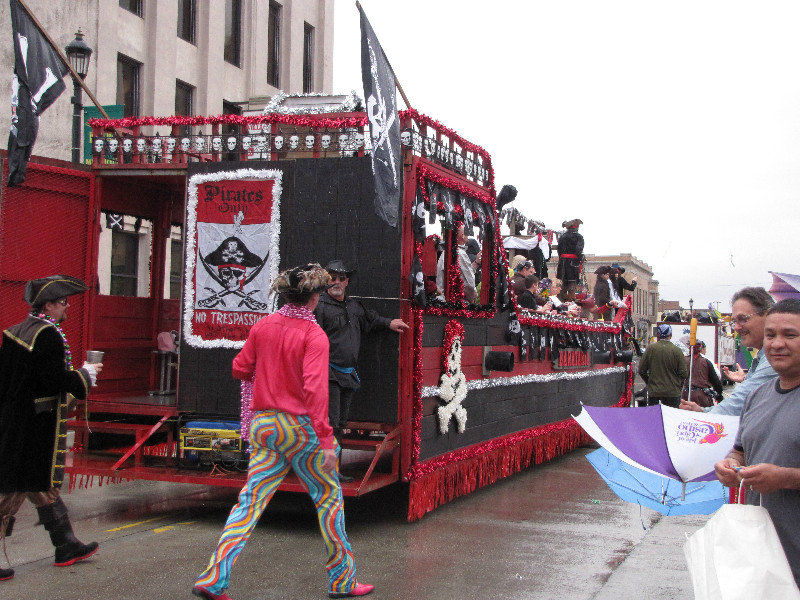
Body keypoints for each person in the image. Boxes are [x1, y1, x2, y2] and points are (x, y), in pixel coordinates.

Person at [193, 264, 374, 600]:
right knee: (329, 502)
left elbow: (239, 368)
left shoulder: (263, 326)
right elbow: (315, 391)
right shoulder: (314, 335)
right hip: (301, 428)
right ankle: (342, 581)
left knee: (249, 502)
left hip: (264, 425)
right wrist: (326, 441)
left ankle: (214, 576)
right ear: (314, 298)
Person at [0, 275, 102, 581]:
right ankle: (66, 544)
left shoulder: (16, 332)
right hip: (33, 427)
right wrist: (85, 374)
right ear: (48, 305)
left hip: (16, 420)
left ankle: (66, 544)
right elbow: (53, 381)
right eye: (62, 302)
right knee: (15, 489)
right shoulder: (48, 335)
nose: (67, 307)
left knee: (40, 485)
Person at [714, 298, 800, 587]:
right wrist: (731, 464)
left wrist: (785, 478)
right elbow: (740, 450)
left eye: (790, 335)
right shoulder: (757, 395)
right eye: (771, 335)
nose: (777, 344)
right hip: (760, 560)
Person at [315, 260, 409, 474]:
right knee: (332, 423)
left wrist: (389, 323)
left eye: (341, 278)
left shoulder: (354, 306)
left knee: (340, 421)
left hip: (347, 373)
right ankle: (329, 472)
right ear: (326, 280)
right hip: (327, 373)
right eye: (332, 278)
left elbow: (372, 320)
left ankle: (333, 469)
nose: (336, 282)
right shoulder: (319, 306)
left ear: (347, 281)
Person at [680, 287, 777, 415]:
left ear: (769, 315)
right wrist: (702, 410)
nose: (736, 327)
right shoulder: (762, 358)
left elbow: (741, 403)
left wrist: (702, 417)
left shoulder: (774, 358)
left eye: (743, 319)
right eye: (734, 321)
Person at [637, 324, 688, 407]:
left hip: (654, 393)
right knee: (671, 418)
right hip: (673, 393)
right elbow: (683, 373)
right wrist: (677, 385)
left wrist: (650, 382)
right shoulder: (677, 351)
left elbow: (641, 370)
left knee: (655, 418)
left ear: (658, 335)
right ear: (670, 335)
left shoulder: (651, 349)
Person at [436, 223, 478, 303]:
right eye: (467, 234)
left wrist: (477, 262)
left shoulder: (445, 253)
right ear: (462, 236)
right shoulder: (460, 253)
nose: (467, 237)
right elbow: (469, 281)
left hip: (443, 300)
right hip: (457, 302)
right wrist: (473, 298)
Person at [681, 341, 723, 407]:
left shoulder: (683, 361)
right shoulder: (706, 362)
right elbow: (716, 382)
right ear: (700, 349)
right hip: (701, 397)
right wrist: (719, 397)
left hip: (685, 395)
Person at [556, 218, 584, 297]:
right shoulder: (579, 237)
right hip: (572, 264)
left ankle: (561, 299)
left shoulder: (562, 237)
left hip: (563, 263)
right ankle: (571, 300)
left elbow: (559, 250)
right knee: (572, 285)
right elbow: (579, 250)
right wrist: (580, 258)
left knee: (563, 284)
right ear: (575, 227)